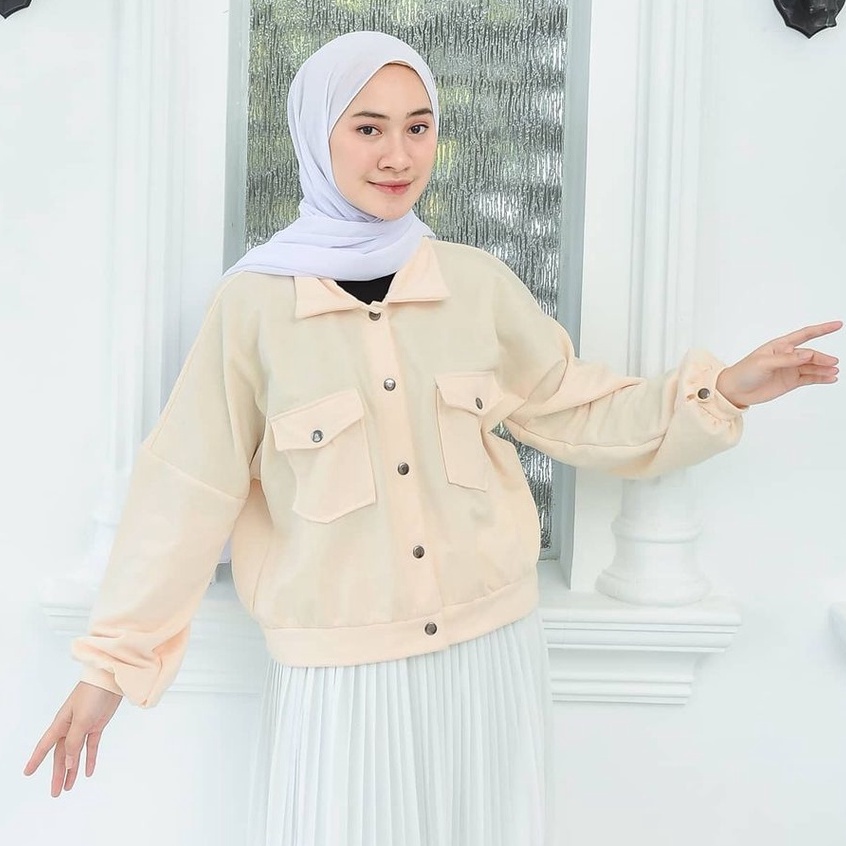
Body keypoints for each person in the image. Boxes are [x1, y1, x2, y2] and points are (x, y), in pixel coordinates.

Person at [23, 30, 840, 846]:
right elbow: (188, 489)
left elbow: (574, 408)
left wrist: (724, 390)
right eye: (368, 127)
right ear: (316, 136)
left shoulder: (474, 284)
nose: (398, 154)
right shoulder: (254, 308)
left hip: (490, 657)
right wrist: (110, 672)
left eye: (418, 126)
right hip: (340, 675)